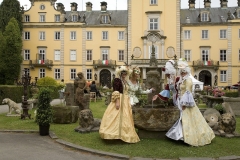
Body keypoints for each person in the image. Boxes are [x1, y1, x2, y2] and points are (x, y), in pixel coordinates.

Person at [157, 58, 215, 146]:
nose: (182, 73)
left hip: (186, 103)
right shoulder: (181, 80)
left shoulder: (188, 80)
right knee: (182, 119)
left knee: (188, 120)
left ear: (187, 72)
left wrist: (184, 104)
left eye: (184, 72)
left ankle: (190, 137)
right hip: (180, 101)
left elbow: (188, 93)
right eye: (181, 72)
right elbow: (175, 89)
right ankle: (182, 136)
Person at [99, 66, 140, 143]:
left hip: (125, 101)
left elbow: (127, 92)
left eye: (125, 73)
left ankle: (122, 135)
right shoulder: (117, 80)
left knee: (125, 117)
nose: (124, 74)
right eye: (123, 72)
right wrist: (117, 101)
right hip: (119, 99)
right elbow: (116, 91)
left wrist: (130, 101)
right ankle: (114, 134)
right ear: (120, 73)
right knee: (115, 116)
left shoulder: (125, 81)